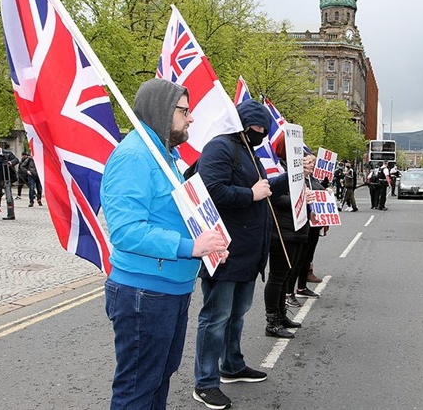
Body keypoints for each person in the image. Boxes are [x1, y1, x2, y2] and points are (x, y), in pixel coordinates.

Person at [100, 78, 228, 410]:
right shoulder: (133, 156)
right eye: (184, 110)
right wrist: (189, 247)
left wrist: (209, 242)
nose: (191, 118)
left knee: (159, 378)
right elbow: (126, 230)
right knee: (138, 388)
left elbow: (173, 216)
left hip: (170, 289)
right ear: (162, 110)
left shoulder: (167, 157)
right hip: (145, 293)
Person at [193, 100, 288, 410]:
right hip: (225, 251)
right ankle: (205, 383)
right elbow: (211, 189)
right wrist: (251, 194)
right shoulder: (220, 148)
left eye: (264, 131)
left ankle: (232, 365)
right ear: (243, 124)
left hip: (248, 253)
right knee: (216, 318)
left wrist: (288, 178)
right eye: (256, 129)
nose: (260, 134)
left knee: (236, 315)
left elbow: (262, 188)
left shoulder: (249, 151)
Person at [264, 150, 309, 339]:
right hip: (282, 232)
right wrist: (300, 199)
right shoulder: (275, 169)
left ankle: (281, 315)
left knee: (287, 275)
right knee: (277, 276)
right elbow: (272, 197)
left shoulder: (299, 173)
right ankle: (272, 321)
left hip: (298, 229)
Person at [292, 154, 328, 299]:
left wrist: (327, 191)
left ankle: (301, 287)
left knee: (308, 257)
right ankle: (289, 291)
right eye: (307, 162)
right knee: (298, 259)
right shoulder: (296, 180)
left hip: (313, 224)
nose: (311, 164)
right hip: (301, 223)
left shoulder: (312, 179)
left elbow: (319, 189)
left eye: (313, 162)